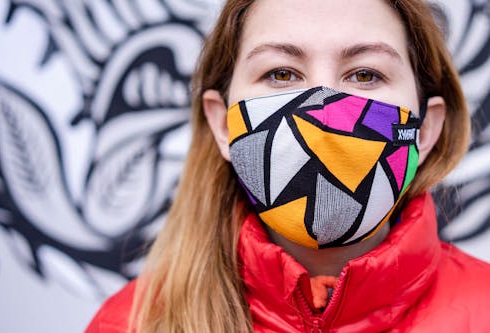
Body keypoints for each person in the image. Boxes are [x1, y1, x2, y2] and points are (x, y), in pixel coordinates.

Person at [86, 0, 490, 332]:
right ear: (223, 125)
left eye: (365, 74)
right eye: (282, 73)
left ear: (423, 129)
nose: (322, 109)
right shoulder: (130, 324)